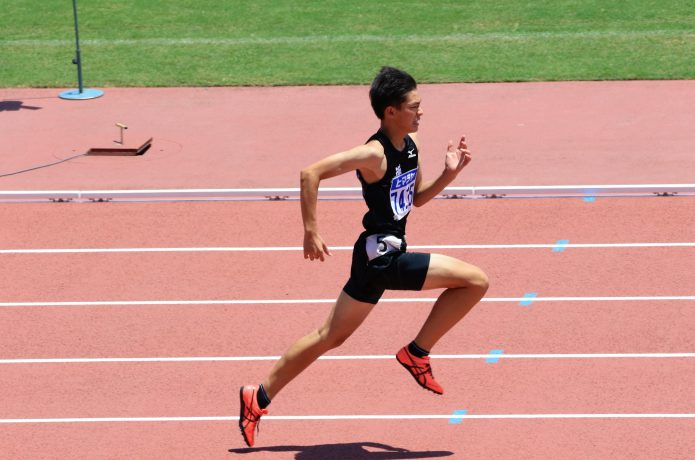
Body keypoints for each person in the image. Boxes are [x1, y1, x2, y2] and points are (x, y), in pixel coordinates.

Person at [239, 67, 489, 447]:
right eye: (414, 107)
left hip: (371, 259)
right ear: (390, 111)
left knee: (329, 336)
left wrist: (448, 174)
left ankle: (256, 397)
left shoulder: (411, 143)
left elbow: (415, 199)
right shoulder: (374, 153)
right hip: (382, 257)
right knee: (475, 281)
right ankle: (416, 353)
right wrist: (310, 230)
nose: (421, 113)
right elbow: (311, 173)